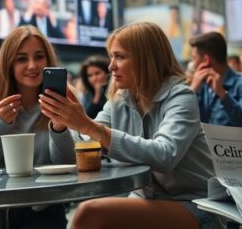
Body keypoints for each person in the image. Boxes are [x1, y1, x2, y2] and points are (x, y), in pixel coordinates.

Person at [39, 21, 217, 229]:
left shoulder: (181, 96)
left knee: (90, 213)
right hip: (146, 200)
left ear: (146, 60)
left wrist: (88, 126)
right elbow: (73, 159)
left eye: (120, 57)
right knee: (92, 213)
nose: (111, 66)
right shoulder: (121, 99)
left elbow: (164, 155)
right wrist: (60, 125)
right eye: (111, 56)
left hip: (197, 204)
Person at [0, 25, 75, 228]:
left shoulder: (64, 97)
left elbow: (68, 165)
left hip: (45, 207)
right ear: (9, 64)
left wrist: (59, 127)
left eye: (39, 57)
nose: (32, 65)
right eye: (22, 59)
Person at [189, 31, 242, 127]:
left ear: (206, 60)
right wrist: (192, 90)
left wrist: (222, 94)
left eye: (194, 58)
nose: (192, 64)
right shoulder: (198, 86)